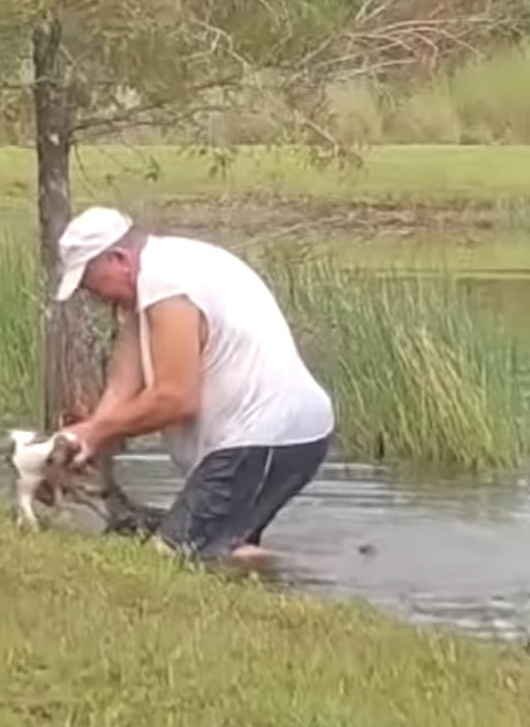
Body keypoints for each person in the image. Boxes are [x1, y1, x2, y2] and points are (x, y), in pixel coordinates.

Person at [52, 205, 334, 563]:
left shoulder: (166, 284)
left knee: (167, 558)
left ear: (118, 258)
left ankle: (313, 574)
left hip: (263, 436)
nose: (90, 295)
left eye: (88, 282)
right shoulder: (152, 282)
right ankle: (276, 578)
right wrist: (91, 439)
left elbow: (176, 398)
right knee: (220, 549)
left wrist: (94, 432)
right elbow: (124, 384)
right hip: (280, 434)